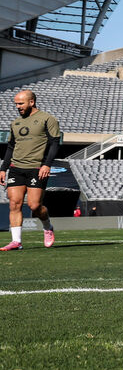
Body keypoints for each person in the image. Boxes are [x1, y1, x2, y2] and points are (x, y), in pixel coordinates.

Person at [1, 90, 60, 250]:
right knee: (14, 204)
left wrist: (47, 164)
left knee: (34, 206)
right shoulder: (15, 123)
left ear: (31, 102)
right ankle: (16, 241)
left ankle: (47, 227)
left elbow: (55, 143)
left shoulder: (47, 119)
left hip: (37, 167)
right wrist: (3, 168)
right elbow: (11, 146)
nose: (17, 107)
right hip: (16, 168)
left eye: (20, 103)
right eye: (16, 104)